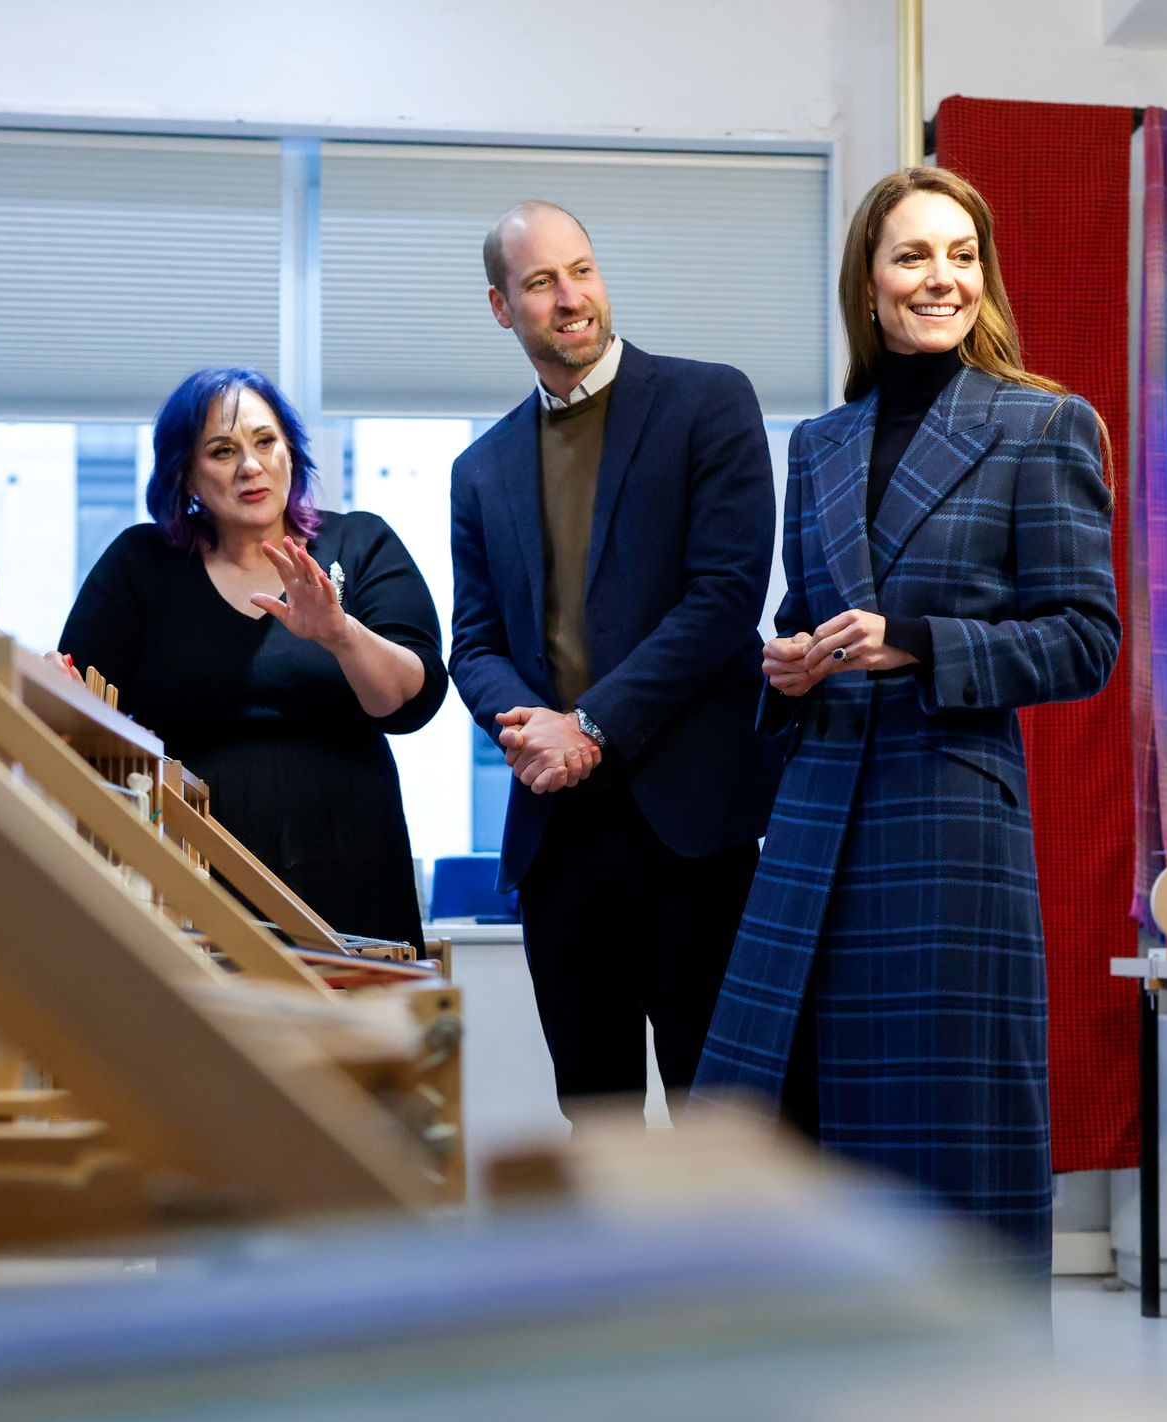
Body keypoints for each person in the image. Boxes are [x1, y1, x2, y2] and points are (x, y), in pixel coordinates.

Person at [694, 167, 1122, 1274]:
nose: (940, 279)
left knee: (944, 1144)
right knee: (772, 1120)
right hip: (814, 813)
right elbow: (803, 614)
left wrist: (920, 638)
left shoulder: (1045, 424)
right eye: (912, 256)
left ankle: (965, 1416)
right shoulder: (819, 445)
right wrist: (783, 665)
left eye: (961, 255)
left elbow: (1085, 640)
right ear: (869, 283)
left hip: (947, 820)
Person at [447, 201, 779, 1107]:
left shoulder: (709, 401)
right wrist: (537, 731)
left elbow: (724, 600)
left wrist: (589, 725)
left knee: (724, 1120)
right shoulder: (479, 470)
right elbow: (471, 643)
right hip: (558, 840)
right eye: (542, 281)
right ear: (500, 306)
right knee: (593, 1122)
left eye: (582, 270)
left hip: (693, 828)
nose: (571, 297)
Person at [60, 367, 448, 952]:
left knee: (361, 1038)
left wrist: (341, 634)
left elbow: (409, 701)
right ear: (186, 475)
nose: (250, 465)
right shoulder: (142, 564)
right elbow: (82, 707)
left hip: (352, 859)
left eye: (265, 441)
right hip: (193, 875)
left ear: (291, 449)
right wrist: (57, 695)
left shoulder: (359, 545)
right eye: (222, 450)